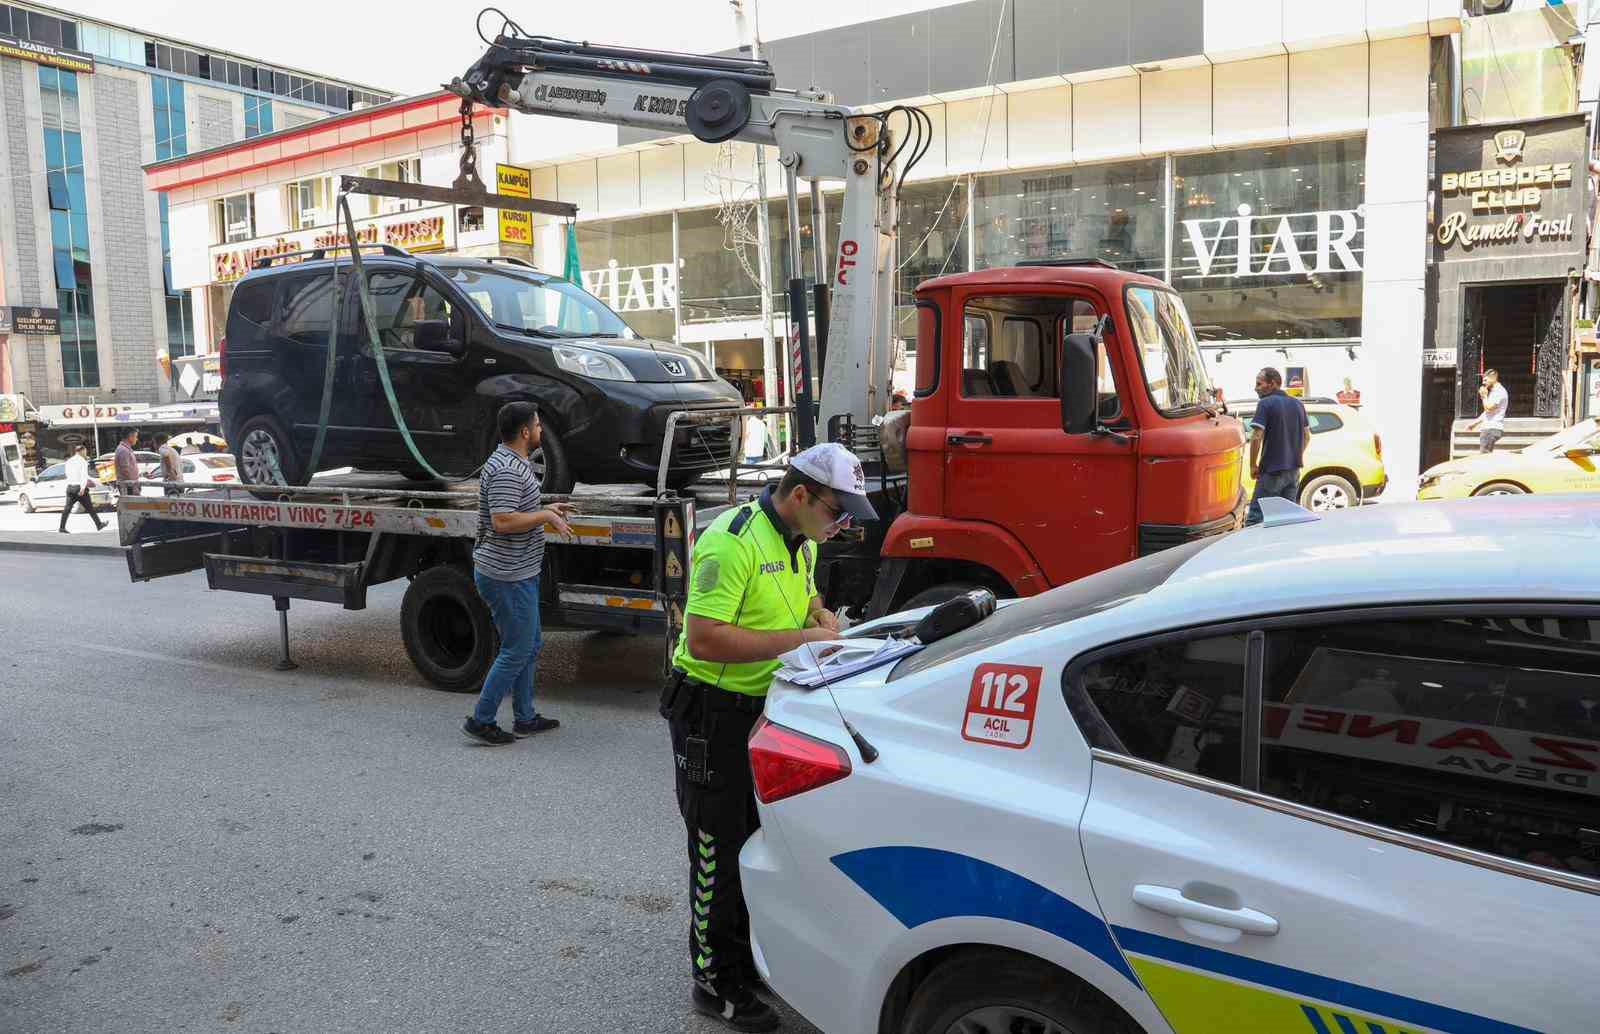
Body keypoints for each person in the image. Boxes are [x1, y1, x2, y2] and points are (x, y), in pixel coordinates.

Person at [660, 442, 878, 1031]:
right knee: (717, 846)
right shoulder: (732, 540)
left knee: (758, 839)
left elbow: (803, 595)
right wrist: (799, 642)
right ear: (802, 495)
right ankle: (713, 979)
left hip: (766, 705)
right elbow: (703, 638)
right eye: (839, 512)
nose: (844, 525)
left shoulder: (799, 538)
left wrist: (820, 617)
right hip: (712, 711)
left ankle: (740, 956)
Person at [462, 402, 575, 746]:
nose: (541, 431)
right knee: (517, 648)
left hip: (518, 572)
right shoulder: (508, 469)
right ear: (525, 432)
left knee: (529, 644)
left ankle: (525, 717)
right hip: (506, 575)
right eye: (538, 426)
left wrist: (546, 508)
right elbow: (503, 520)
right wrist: (545, 517)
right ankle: (481, 719)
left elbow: (515, 509)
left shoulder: (514, 463)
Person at [1246, 367, 1310, 526]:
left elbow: (1256, 436)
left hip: (1272, 472)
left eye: (1259, 384)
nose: (1256, 388)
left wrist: (1253, 465)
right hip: (1294, 471)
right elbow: (1307, 436)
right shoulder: (1298, 404)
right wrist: (1294, 454)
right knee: (1285, 520)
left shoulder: (1265, 403)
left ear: (1272, 384)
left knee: (1256, 518)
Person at [58, 446, 105, 534]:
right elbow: (84, 476)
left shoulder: (69, 461)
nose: (86, 453)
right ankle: (99, 524)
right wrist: (83, 488)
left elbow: (67, 474)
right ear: (82, 451)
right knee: (90, 508)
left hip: (70, 487)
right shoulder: (82, 461)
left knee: (67, 508)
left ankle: (62, 527)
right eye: (85, 451)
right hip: (79, 487)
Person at [1468, 368, 1509, 453]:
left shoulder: (1499, 391)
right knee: (1485, 455)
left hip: (1491, 428)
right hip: (1489, 428)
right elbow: (1488, 412)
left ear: (1493, 378)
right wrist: (1475, 423)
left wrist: (1484, 396)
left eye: (1485, 380)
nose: (1483, 383)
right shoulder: (1494, 391)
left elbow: (1489, 408)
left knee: (1484, 456)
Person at [113, 428, 142, 498]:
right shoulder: (123, 450)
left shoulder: (126, 449)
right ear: (130, 436)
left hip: (130, 484)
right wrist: (133, 486)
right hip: (128, 486)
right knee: (132, 507)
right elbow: (125, 470)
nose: (136, 439)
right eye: (136, 436)